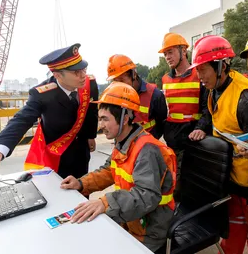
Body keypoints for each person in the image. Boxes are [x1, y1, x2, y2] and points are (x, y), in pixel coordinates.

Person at [0, 44, 99, 183]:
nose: (82, 75)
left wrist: (90, 135)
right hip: (56, 154)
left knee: (81, 189)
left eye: (83, 69)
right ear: (57, 75)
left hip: (81, 150)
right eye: (76, 72)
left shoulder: (89, 84)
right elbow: (21, 120)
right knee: (57, 191)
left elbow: (91, 111)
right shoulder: (42, 94)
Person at [60, 82, 176, 252]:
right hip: (131, 220)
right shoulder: (123, 141)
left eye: (105, 119)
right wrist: (81, 183)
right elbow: (109, 170)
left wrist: (106, 203)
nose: (101, 126)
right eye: (100, 119)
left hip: (149, 229)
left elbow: (146, 196)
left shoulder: (147, 150)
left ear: (125, 117)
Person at [189, 35, 248, 254]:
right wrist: (202, 127)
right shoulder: (214, 88)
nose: (199, 76)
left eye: (202, 69)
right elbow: (212, 114)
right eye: (197, 70)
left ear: (220, 66)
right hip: (231, 181)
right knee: (232, 235)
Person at [159, 32, 212, 200]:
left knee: (186, 186)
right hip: (172, 140)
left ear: (184, 51)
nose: (168, 57)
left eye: (171, 52)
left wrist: (201, 128)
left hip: (193, 139)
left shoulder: (199, 75)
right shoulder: (165, 79)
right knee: (171, 183)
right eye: (165, 53)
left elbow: (208, 108)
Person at [106, 54, 167, 139]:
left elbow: (161, 124)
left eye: (122, 80)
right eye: (116, 81)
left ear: (133, 74)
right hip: (123, 146)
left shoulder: (155, 95)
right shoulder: (115, 97)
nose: (119, 85)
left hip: (147, 146)